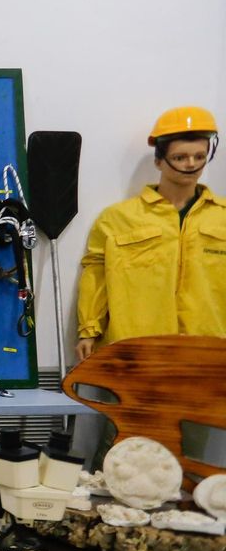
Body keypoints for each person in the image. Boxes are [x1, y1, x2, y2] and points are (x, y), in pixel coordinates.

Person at [75, 106, 226, 363]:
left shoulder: (222, 218)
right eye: (180, 157)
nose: (191, 164)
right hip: (137, 353)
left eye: (199, 156)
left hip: (211, 356)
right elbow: (96, 275)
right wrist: (88, 330)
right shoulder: (118, 219)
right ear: (158, 160)